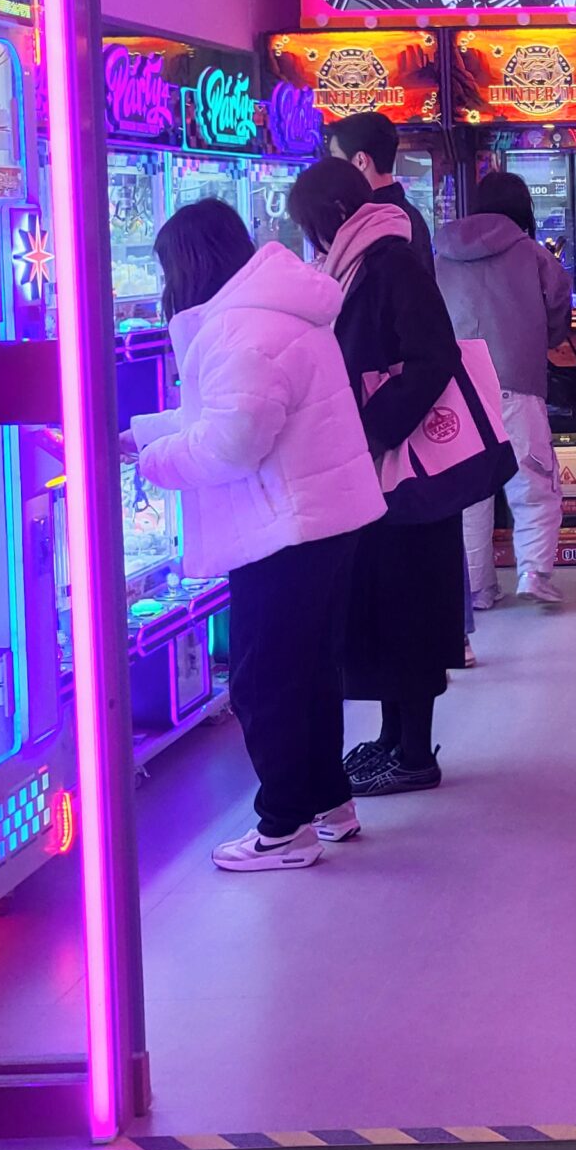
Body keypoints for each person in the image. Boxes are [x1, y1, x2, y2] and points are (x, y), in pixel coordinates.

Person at [126, 198, 385, 871]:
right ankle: (329, 803)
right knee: (310, 671)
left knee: (263, 681)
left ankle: (283, 828)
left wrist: (151, 461)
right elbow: (226, 410)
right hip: (318, 516)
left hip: (285, 528)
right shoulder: (267, 309)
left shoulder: (239, 326)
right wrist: (143, 435)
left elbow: (233, 442)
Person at [288, 157, 465, 795]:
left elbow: (434, 356)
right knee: (387, 607)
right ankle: (393, 739)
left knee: (409, 606)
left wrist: (375, 426)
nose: (312, 240)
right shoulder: (362, 263)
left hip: (408, 469)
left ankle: (414, 753)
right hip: (378, 469)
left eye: (313, 225)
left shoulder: (391, 262)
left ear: (336, 214)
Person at [436, 170, 572, 610]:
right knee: (533, 481)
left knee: (471, 492)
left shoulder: (440, 255)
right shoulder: (534, 255)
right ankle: (534, 573)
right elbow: (558, 312)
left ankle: (478, 588)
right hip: (517, 382)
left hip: (457, 388)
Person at [325, 111, 434, 265]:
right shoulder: (406, 215)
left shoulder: (378, 222)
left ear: (361, 161)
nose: (331, 169)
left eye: (335, 157)